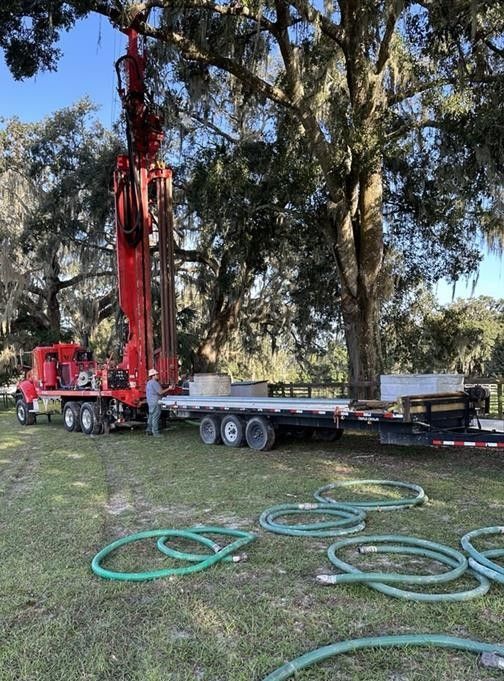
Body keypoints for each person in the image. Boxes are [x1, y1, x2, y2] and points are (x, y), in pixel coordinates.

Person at [146, 368, 164, 437]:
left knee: (151, 416)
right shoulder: (154, 383)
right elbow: (160, 392)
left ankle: (149, 430)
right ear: (153, 375)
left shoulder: (148, 383)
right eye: (157, 374)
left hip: (150, 402)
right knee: (155, 417)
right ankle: (155, 432)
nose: (158, 375)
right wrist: (169, 388)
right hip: (155, 402)